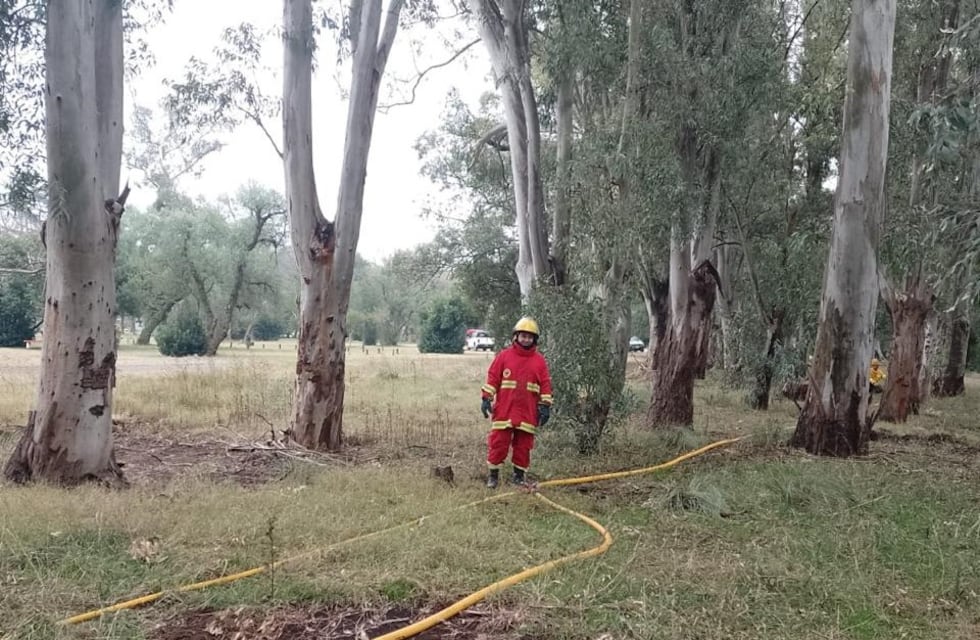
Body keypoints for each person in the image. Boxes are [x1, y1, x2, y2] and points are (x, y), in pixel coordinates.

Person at [480, 317, 553, 488]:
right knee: (498, 443)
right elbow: (493, 378)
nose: (526, 339)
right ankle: (493, 476)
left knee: (523, 446)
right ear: (516, 336)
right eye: (523, 336)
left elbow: (545, 384)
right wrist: (486, 398)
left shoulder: (539, 361)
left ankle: (519, 477)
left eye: (529, 336)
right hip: (505, 410)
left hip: (527, 412)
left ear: (534, 339)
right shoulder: (504, 356)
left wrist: (545, 406)